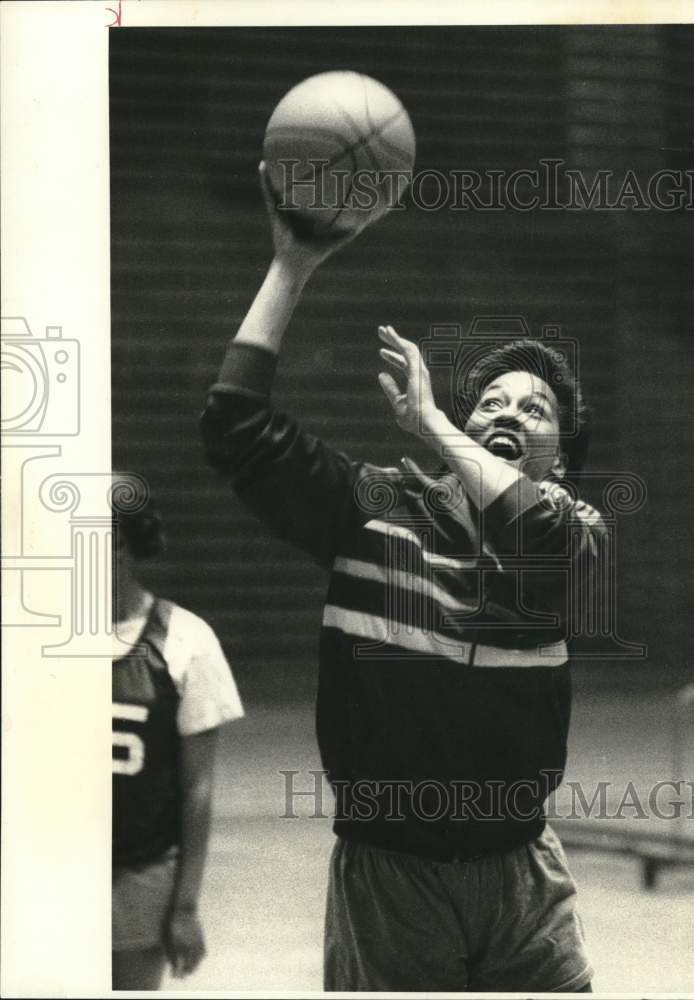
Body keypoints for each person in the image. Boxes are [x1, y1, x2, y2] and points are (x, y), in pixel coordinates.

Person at [200, 165, 605, 992]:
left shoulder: (572, 533)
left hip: (521, 875)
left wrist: (430, 423)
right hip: (391, 877)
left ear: (559, 460)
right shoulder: (373, 511)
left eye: (533, 412)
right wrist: (291, 267)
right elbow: (234, 429)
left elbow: (535, 530)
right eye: (489, 401)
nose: (506, 413)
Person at [111, 476, 244, 990]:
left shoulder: (186, 639)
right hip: (51, 866)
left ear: (118, 542)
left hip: (140, 869)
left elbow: (197, 788)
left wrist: (185, 906)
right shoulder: (35, 639)